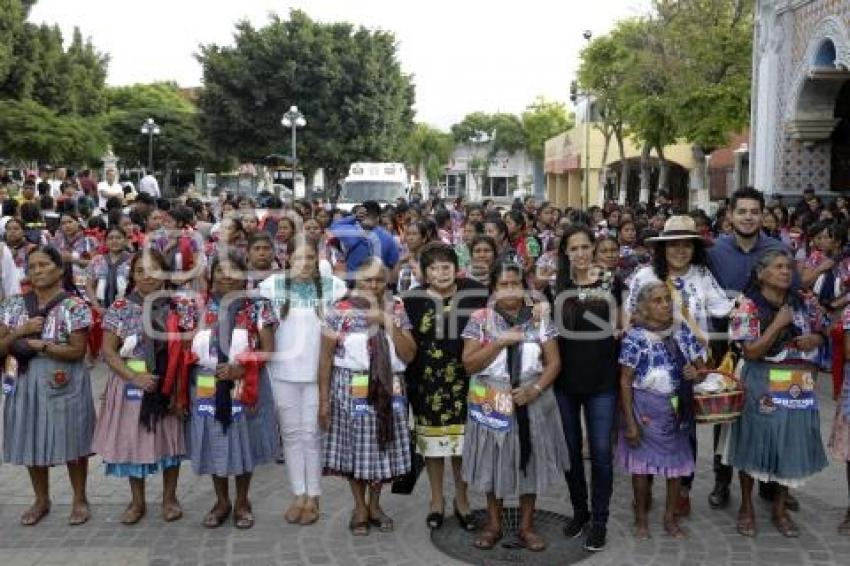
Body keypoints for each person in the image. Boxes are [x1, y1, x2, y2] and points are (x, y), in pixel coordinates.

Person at [460, 260, 567, 551]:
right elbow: (469, 364)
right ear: (493, 289)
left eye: (515, 284)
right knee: (492, 459)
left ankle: (526, 526)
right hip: (492, 399)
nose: (510, 290)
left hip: (532, 397)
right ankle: (494, 525)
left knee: (528, 461)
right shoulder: (480, 319)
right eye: (503, 285)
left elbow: (554, 362)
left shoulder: (538, 318)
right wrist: (499, 342)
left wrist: (535, 389)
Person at [725, 249, 828, 538]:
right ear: (761, 274)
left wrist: (815, 337)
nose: (786, 271)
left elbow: (825, 327)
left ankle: (780, 508)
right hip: (761, 377)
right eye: (778, 266)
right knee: (752, 440)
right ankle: (746, 507)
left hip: (798, 380)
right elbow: (751, 350)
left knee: (789, 441)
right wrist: (779, 324)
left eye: (789, 267)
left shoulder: (804, 301)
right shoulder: (747, 306)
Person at [706, 187, 797, 511]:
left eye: (753, 211)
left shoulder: (779, 250)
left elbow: (795, 294)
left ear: (763, 215)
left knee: (775, 411)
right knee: (725, 411)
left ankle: (771, 483)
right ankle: (722, 479)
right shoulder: (714, 251)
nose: (747, 217)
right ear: (730, 214)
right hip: (725, 346)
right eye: (741, 211)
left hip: (775, 348)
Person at [318, 257, 416, 536]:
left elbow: (409, 353)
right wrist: (324, 400)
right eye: (366, 280)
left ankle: (375, 505)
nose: (372, 285)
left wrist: (386, 320)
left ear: (386, 282)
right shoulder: (338, 311)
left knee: (382, 448)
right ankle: (359, 506)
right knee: (354, 450)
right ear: (356, 282)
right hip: (350, 387)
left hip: (389, 386)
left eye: (378, 280)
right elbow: (325, 359)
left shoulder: (396, 308)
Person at [0, 246, 95, 525]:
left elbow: (78, 351)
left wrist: (40, 344)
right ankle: (41, 499)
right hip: (23, 379)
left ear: (59, 269)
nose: (37, 271)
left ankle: (80, 498)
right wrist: (21, 331)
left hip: (64, 378)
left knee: (72, 437)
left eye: (43, 265)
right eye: (32, 267)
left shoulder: (74, 306)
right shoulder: (13, 305)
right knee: (30, 435)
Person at [185, 254, 279, 529]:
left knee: (244, 439)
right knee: (214, 438)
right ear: (212, 275)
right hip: (205, 385)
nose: (226, 276)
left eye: (233, 270)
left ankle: (242, 501)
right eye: (220, 271)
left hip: (245, 382)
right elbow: (182, 347)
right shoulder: (196, 306)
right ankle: (221, 500)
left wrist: (241, 368)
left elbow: (268, 349)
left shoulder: (259, 307)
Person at [91, 251, 185, 524]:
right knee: (132, 440)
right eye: (140, 270)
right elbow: (109, 352)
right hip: (130, 382)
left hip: (167, 382)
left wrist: (177, 386)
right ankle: (137, 501)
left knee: (170, 439)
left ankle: (170, 498)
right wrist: (134, 377)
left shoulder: (178, 305)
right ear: (132, 275)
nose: (147, 276)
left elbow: (189, 349)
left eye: (154, 269)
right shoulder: (120, 307)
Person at [260, 238, 346, 526]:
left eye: (311, 257)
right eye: (299, 258)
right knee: (292, 435)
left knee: (312, 435)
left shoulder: (332, 287)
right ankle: (298, 494)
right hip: (283, 372)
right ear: (288, 260)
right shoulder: (273, 286)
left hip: (317, 374)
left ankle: (314, 496)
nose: (305, 263)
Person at [403, 242, 487, 531]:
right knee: (433, 445)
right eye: (434, 268)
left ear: (456, 268)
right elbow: (405, 341)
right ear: (425, 273)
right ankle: (436, 501)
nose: (441, 272)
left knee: (461, 445)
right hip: (426, 381)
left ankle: (462, 500)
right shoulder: (411, 300)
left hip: (466, 380)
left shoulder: (474, 293)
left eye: (446, 266)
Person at [619, 281, 708, 539]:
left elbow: (701, 369)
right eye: (657, 301)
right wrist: (631, 424)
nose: (665, 304)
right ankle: (641, 520)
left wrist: (695, 373)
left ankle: (670, 518)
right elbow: (625, 381)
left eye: (667, 299)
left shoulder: (682, 332)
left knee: (676, 467)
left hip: (676, 410)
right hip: (644, 410)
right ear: (643, 308)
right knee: (641, 468)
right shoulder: (635, 338)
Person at [554, 224, 624, 551]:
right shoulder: (557, 286)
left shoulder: (611, 282)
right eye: (574, 248)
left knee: (600, 454)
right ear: (565, 253)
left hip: (602, 381)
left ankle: (600, 520)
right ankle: (579, 512)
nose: (581, 253)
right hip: (565, 382)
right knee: (569, 453)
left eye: (586, 247)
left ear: (593, 250)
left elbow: (621, 324)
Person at [329, 201, 400, 279]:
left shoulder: (349, 232)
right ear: (379, 217)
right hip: (378, 284)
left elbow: (333, 227)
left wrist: (354, 217)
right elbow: (393, 264)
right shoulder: (388, 237)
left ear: (361, 216)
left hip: (355, 284)